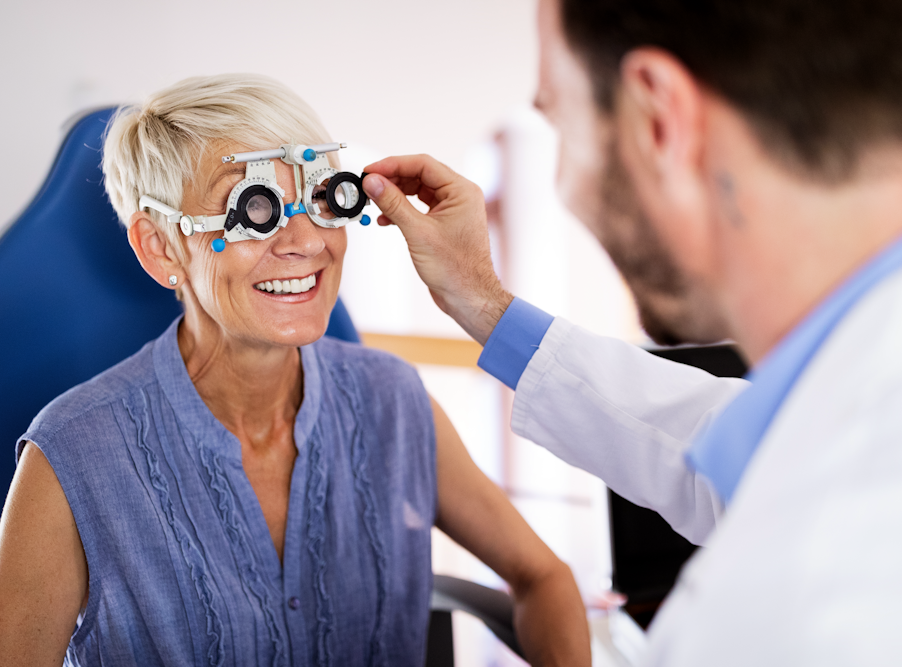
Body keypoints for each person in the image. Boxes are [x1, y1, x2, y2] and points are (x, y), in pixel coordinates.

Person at [357, 0, 902, 664]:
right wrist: (487, 307)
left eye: (559, 121)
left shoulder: (795, 614)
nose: (566, 182)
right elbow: (722, 443)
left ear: (658, 118)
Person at [0, 74, 590, 667]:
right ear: (160, 248)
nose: (308, 242)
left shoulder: (391, 399)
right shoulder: (71, 455)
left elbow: (544, 578)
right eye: (254, 208)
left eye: (327, 198)